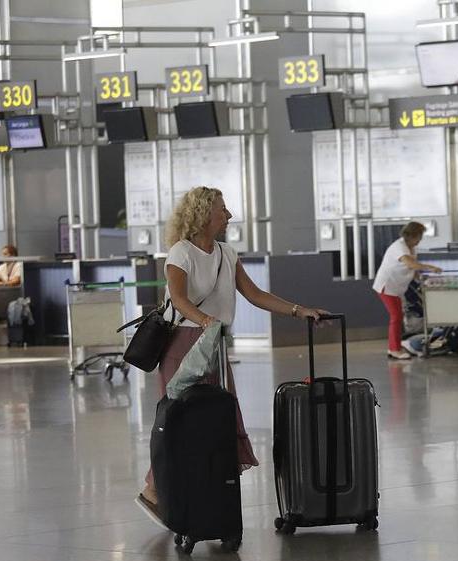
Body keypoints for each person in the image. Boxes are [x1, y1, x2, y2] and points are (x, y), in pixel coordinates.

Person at [137, 187, 329, 527]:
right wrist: (205, 322)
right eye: (223, 210)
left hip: (213, 340)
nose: (229, 215)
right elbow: (178, 299)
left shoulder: (227, 253)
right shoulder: (181, 253)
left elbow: (255, 294)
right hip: (183, 341)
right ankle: (154, 489)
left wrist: (299, 311)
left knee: (218, 414)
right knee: (179, 416)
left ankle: (207, 487)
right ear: (203, 215)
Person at [373, 221, 442, 360]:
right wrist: (430, 267)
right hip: (387, 287)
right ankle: (394, 349)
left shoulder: (410, 248)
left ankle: (396, 346)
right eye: (419, 237)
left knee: (398, 317)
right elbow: (410, 263)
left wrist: (421, 279)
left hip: (396, 288)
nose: (420, 240)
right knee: (396, 317)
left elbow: (411, 268)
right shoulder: (399, 247)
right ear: (412, 236)